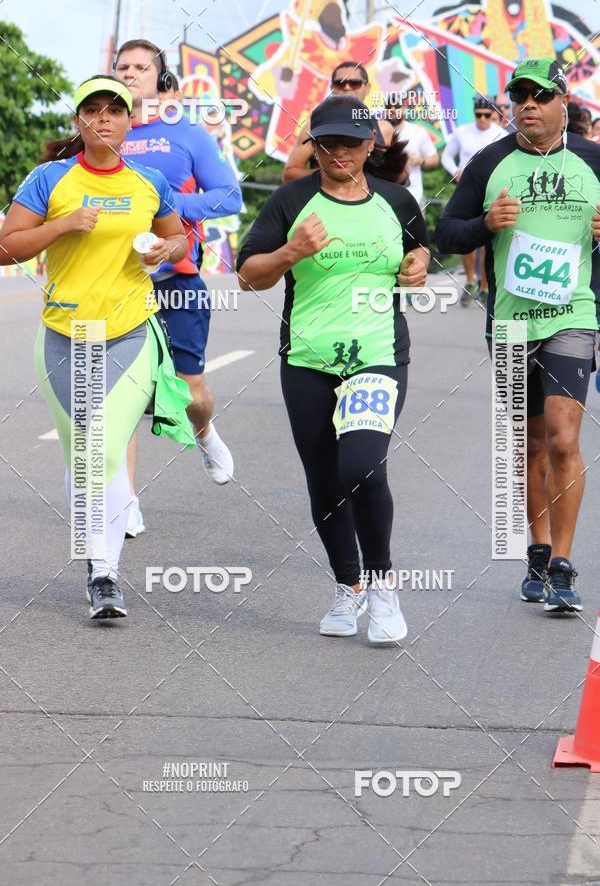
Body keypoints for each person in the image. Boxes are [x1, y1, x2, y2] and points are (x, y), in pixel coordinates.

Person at [237, 95, 430, 644]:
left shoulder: (397, 201)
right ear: (313, 147)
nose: (338, 152)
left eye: (349, 141)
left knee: (363, 466)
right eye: (326, 142)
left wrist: (417, 266)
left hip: (377, 355)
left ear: (371, 145)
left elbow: (418, 251)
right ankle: (349, 588)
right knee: (324, 478)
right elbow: (248, 277)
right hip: (308, 359)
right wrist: (289, 253)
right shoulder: (291, 201)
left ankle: (383, 588)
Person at [0, 76, 190, 618]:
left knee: (102, 450)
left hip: (129, 333)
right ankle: (97, 552)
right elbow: (5, 248)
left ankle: (103, 573)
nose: (103, 118)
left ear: (131, 123)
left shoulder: (149, 181)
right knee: (82, 456)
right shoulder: (49, 179)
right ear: (78, 122)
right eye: (92, 110)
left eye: (115, 110)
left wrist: (162, 249)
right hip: (67, 335)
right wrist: (62, 225)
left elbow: (179, 240)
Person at [436, 57, 600, 614]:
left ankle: (562, 564)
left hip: (573, 314)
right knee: (530, 444)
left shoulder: (595, 159)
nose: (527, 103)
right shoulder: (490, 161)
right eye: (519, 95)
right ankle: (537, 550)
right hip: (509, 321)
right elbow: (446, 232)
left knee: (563, 437)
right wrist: (485, 224)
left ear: (563, 105)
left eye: (540, 95)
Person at [114, 39, 243, 535]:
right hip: (119, 283)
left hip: (178, 280)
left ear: (161, 79)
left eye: (141, 67)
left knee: (190, 392)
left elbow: (229, 195)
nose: (130, 74)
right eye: (122, 67)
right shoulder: (102, 133)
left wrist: (168, 211)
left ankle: (205, 431)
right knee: (124, 396)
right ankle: (124, 501)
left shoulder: (185, 133)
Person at [441, 95, 507, 305]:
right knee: (466, 236)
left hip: (491, 192)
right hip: (465, 191)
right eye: (478, 115)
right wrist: (456, 171)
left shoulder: (500, 134)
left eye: (487, 115)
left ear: (494, 114)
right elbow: (446, 156)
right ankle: (470, 280)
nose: (482, 119)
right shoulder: (462, 132)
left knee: (488, 240)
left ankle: (485, 285)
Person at [282, 61, 395, 183]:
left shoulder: (384, 129)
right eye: (339, 83)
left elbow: (399, 173)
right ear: (332, 88)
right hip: (325, 199)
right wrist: (331, 174)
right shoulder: (313, 127)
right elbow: (289, 174)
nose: (347, 87)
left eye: (354, 83)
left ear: (367, 88)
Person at [387, 103, 439, 208]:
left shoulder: (417, 132)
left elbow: (435, 159)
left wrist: (420, 161)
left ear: (404, 109)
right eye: (388, 107)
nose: (392, 110)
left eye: (397, 106)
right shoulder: (377, 131)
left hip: (414, 197)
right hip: (385, 199)